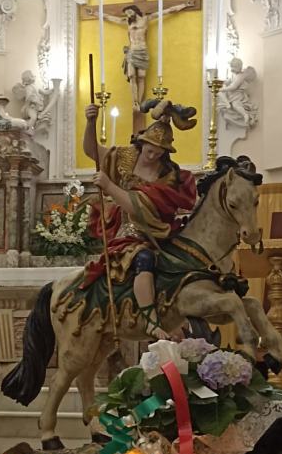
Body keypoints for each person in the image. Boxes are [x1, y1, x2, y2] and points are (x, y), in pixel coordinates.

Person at [83, 101, 197, 340]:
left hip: (159, 232)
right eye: (150, 148)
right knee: (143, 258)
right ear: (142, 142)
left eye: (159, 151)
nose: (153, 154)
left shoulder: (166, 176)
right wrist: (91, 122)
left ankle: (182, 321)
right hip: (129, 235)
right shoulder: (124, 158)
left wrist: (108, 185)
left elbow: (144, 207)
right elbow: (92, 150)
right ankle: (150, 321)